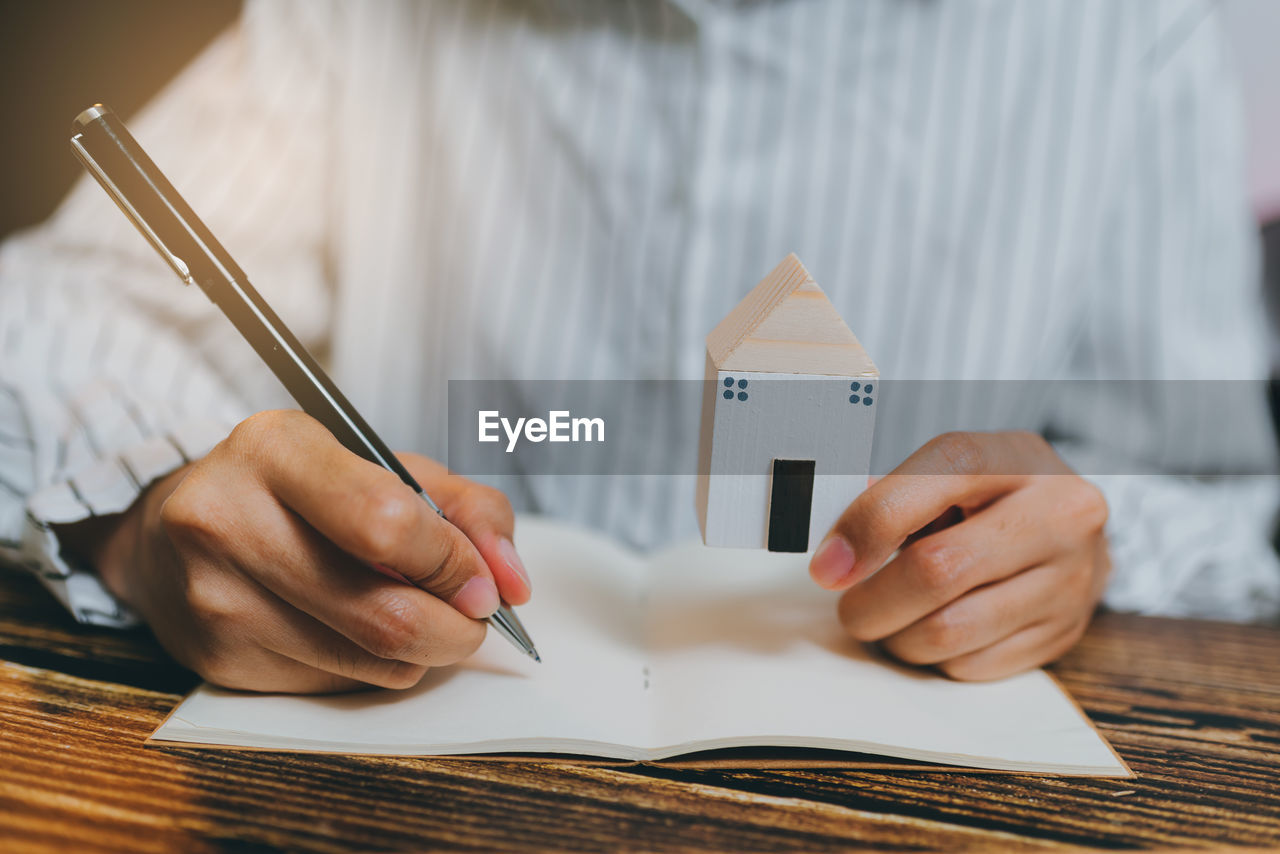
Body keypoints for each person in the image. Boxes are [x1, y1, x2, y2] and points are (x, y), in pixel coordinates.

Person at [2, 0, 1276, 693]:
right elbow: (56, 310)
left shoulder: (1126, 31)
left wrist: (1074, 544)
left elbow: (1215, 490)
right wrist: (148, 503)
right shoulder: (357, 19)